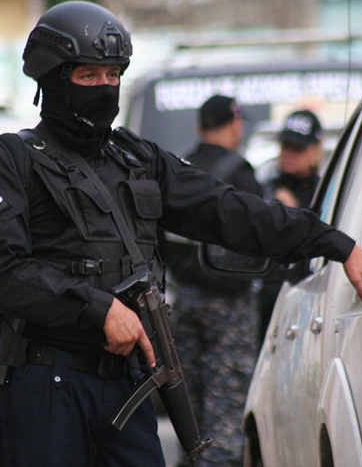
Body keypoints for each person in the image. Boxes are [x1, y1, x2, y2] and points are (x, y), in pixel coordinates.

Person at [0, 0, 362, 467]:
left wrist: (339, 246)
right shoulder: (10, 162)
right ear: (53, 79)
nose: (104, 88)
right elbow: (0, 271)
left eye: (113, 76)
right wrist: (97, 308)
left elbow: (229, 210)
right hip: (43, 384)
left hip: (124, 386)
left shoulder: (134, 159)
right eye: (88, 76)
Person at [158, 94, 263, 466]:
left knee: (189, 412)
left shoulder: (177, 172)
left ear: (201, 127)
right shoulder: (240, 174)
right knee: (226, 415)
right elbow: (260, 239)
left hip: (180, 303)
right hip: (229, 309)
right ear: (234, 125)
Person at [257, 110, 325, 342]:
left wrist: (293, 211)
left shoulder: (325, 192)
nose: (289, 154)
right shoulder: (265, 188)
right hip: (266, 295)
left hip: (307, 296)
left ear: (315, 151)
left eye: (298, 148)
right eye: (286, 146)